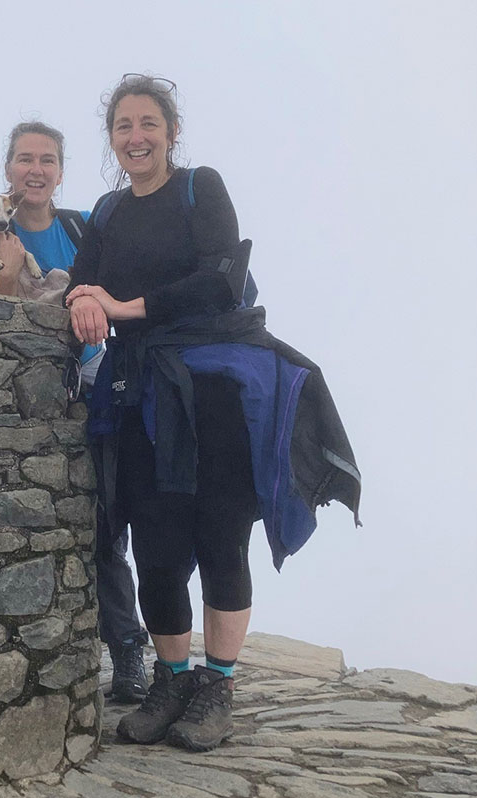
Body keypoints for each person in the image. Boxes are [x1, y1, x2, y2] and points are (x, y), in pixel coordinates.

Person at [66, 75, 360, 751]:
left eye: (148, 123)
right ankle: (172, 682)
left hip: (213, 393)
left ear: (170, 132)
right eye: (123, 126)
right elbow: (86, 283)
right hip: (140, 393)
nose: (135, 136)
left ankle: (216, 687)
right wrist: (83, 301)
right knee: (157, 549)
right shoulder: (106, 212)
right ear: (111, 138)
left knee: (220, 536)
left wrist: (124, 308)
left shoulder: (202, 187)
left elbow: (220, 276)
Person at [0, 120, 150, 704]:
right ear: (7, 169)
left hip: (89, 386)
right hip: (16, 399)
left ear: (60, 170)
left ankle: (128, 650)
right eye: (25, 159)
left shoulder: (85, 229)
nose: (36, 170)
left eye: (47, 160)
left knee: (105, 523)